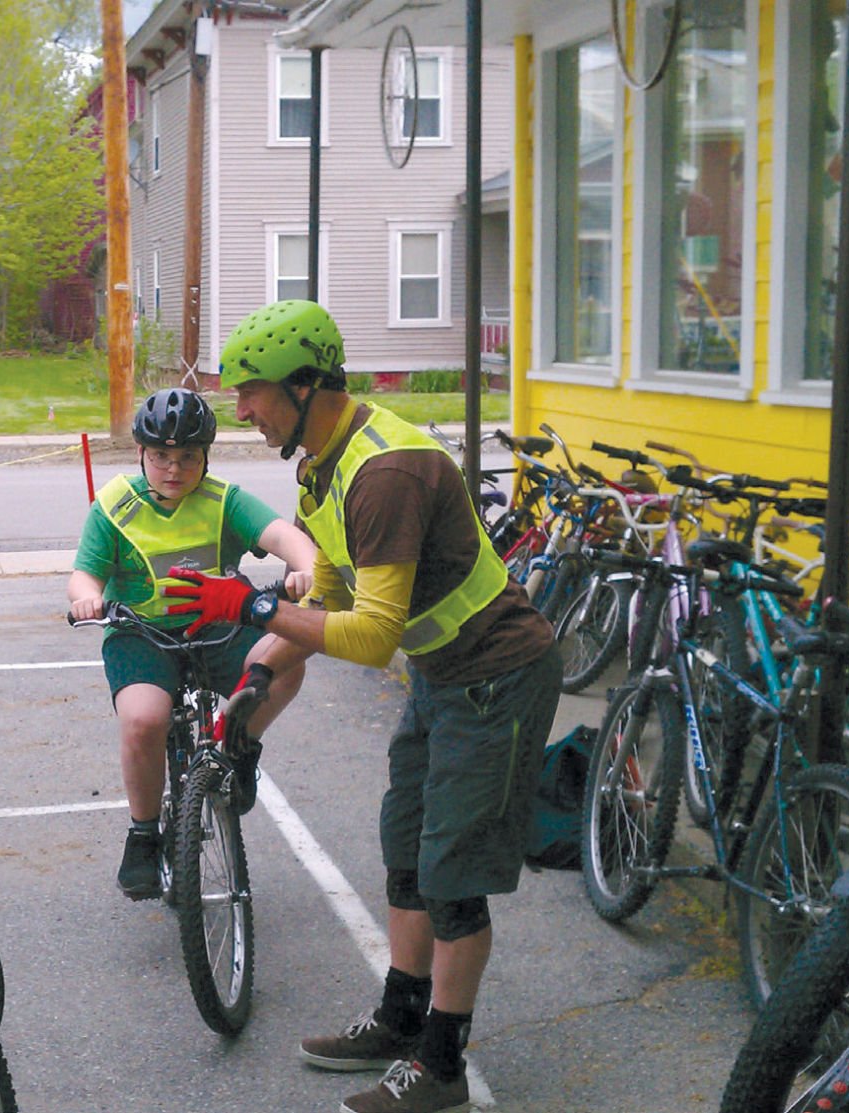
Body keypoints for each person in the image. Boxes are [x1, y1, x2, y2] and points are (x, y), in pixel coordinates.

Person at [164, 302, 563, 1113]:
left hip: (497, 675)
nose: (241, 409)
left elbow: (371, 636)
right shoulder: (325, 466)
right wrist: (251, 692)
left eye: (253, 392)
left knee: (452, 875)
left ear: (307, 384)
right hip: (443, 676)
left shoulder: (385, 472)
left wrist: (250, 609)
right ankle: (401, 1016)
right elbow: (330, 604)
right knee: (406, 850)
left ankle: (442, 1064)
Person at [67, 387, 317, 899]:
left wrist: (306, 566)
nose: (173, 469)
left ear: (205, 457)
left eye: (187, 457)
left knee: (286, 663)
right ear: (142, 453)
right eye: (161, 456)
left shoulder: (223, 500)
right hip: (140, 634)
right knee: (144, 719)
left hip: (218, 628)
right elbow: (84, 576)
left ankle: (240, 745)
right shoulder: (115, 506)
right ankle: (142, 833)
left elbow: (280, 536)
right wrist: (88, 599)